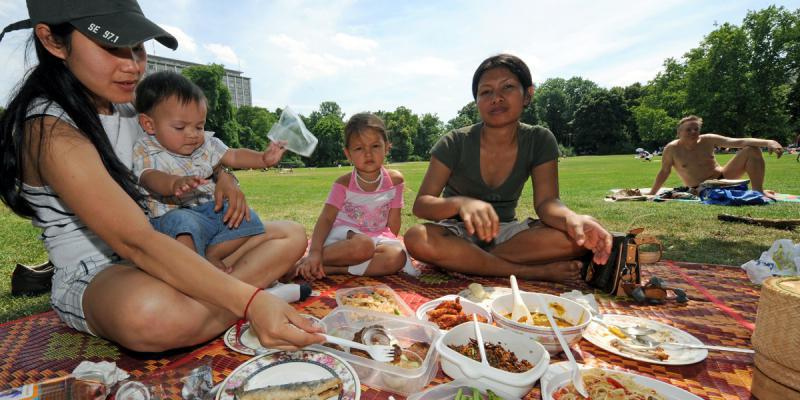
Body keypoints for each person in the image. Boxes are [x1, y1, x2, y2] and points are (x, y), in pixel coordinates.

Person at [0, 0, 323, 352]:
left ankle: (215, 303)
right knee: (150, 314)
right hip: (100, 272)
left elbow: (191, 147)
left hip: (168, 242)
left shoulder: (133, 105)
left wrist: (225, 174)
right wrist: (250, 304)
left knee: (289, 236)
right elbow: (135, 242)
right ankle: (254, 297)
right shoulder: (50, 129)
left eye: (137, 48)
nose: (133, 66)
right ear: (52, 41)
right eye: (111, 47)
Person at [403, 54, 612, 283]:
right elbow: (422, 205)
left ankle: (469, 263)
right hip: (457, 233)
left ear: (528, 95)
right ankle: (529, 272)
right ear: (477, 102)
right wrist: (461, 204)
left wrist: (572, 218)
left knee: (580, 233)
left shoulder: (540, 139)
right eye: (486, 92)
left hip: (509, 237)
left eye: (508, 87)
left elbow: (547, 202)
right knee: (416, 237)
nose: (496, 98)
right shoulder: (454, 142)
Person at [133, 71, 288, 273]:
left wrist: (262, 158)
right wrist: (173, 184)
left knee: (247, 217)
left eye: (199, 126)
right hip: (172, 215)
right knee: (182, 225)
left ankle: (213, 254)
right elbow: (148, 176)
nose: (193, 135)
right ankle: (194, 271)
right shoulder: (146, 147)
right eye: (180, 127)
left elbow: (233, 155)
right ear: (149, 124)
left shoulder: (206, 143)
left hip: (209, 211)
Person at [294, 113, 414, 280]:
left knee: (397, 256)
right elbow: (326, 219)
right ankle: (309, 261)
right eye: (359, 148)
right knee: (363, 246)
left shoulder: (395, 181)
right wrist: (314, 251)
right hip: (344, 240)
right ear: (348, 154)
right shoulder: (343, 184)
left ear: (387, 147)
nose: (368, 154)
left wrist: (385, 244)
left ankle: (331, 269)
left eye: (375, 146)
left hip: (375, 237)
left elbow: (394, 222)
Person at [648, 115, 784, 194]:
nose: (693, 132)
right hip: (700, 188)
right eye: (688, 129)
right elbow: (664, 172)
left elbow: (738, 141)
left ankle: (758, 192)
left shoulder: (708, 139)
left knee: (752, 149)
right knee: (752, 148)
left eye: (696, 129)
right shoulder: (671, 149)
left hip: (724, 177)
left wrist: (769, 142)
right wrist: (652, 193)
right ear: (679, 132)